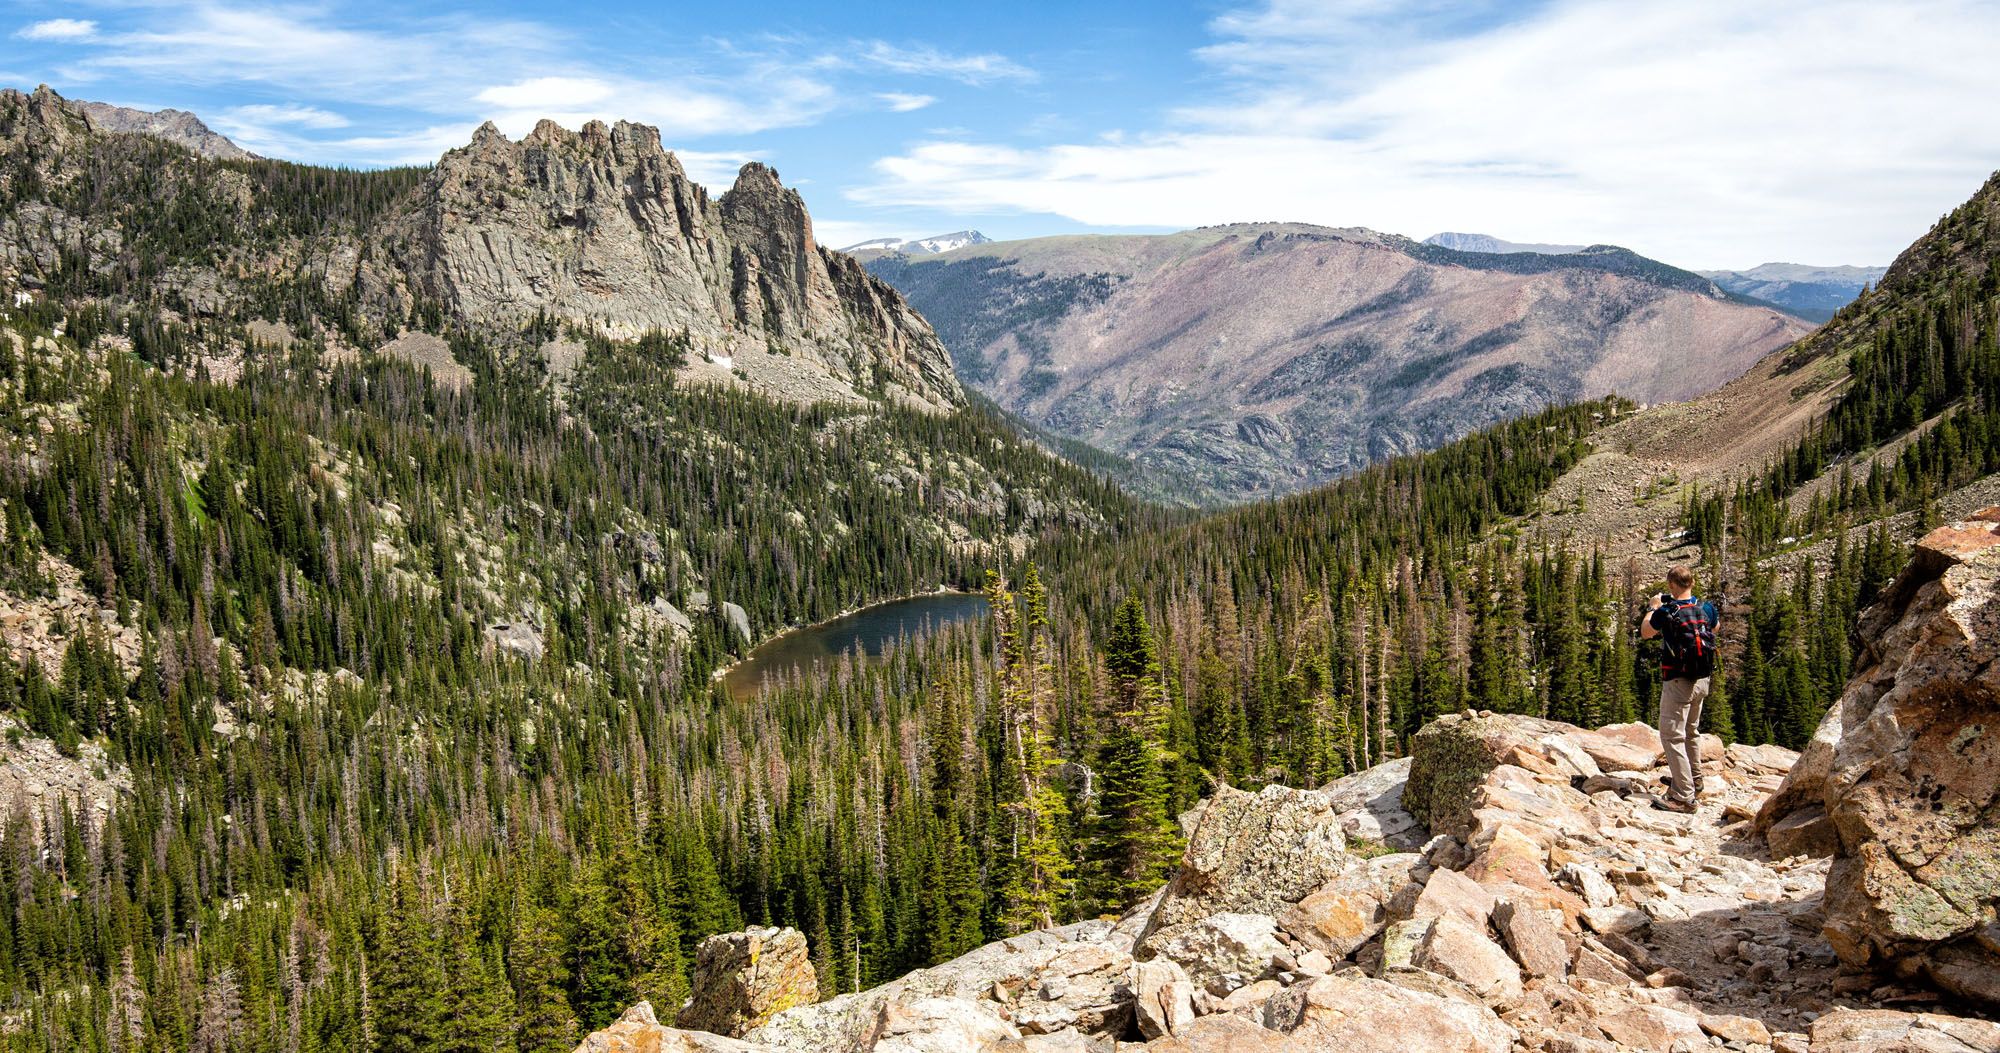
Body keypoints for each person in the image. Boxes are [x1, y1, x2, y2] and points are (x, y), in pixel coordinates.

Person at [1639, 565, 1718, 814]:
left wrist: (1653, 608)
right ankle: (1694, 780)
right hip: (1702, 679)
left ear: (1672, 586)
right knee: (1691, 732)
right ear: (1692, 583)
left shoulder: (1666, 611)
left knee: (1672, 736)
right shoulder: (1706, 608)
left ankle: (1683, 796)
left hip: (1677, 679)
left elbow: (1645, 632)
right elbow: (1714, 630)